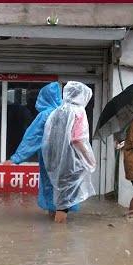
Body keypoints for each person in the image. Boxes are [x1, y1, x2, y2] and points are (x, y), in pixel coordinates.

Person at [5, 82, 77, 218]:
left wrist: (16, 158)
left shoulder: (45, 115)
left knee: (50, 187)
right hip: (67, 158)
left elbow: (32, 138)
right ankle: (62, 227)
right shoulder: (68, 114)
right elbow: (79, 137)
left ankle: (54, 223)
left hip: (50, 158)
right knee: (64, 187)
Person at [42, 81, 97, 223]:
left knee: (61, 199)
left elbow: (48, 139)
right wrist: (89, 158)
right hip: (71, 163)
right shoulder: (78, 112)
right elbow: (77, 140)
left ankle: (55, 234)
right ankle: (59, 237)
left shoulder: (58, 111)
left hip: (56, 161)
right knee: (64, 204)